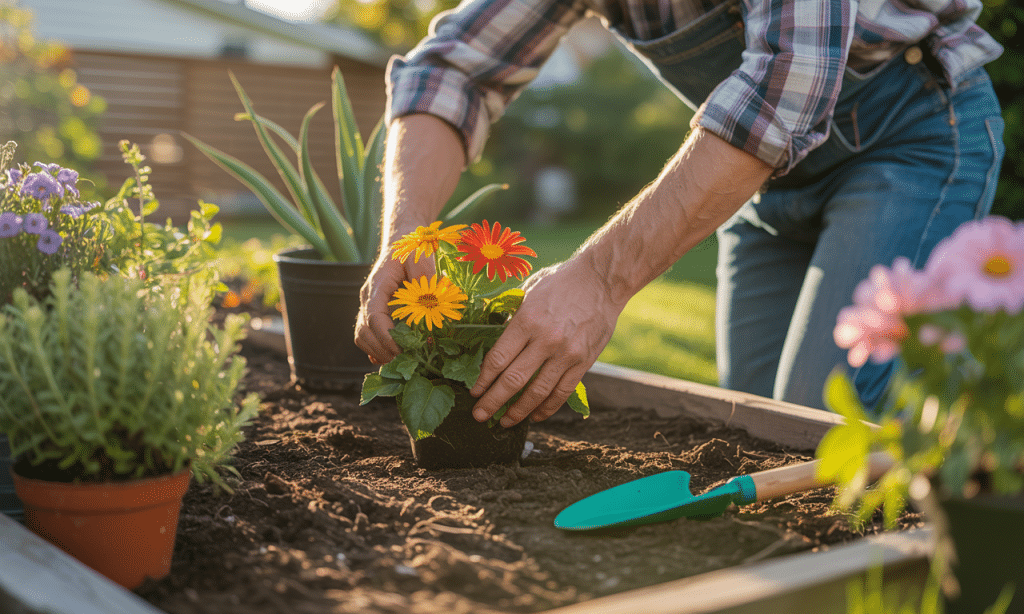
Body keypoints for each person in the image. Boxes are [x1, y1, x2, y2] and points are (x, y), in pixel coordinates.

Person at [355, 0, 1005, 426]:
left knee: (819, 422)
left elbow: (787, 80)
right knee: (749, 427)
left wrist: (600, 279)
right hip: (763, 176)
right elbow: (452, 71)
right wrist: (405, 234)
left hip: (908, 141)